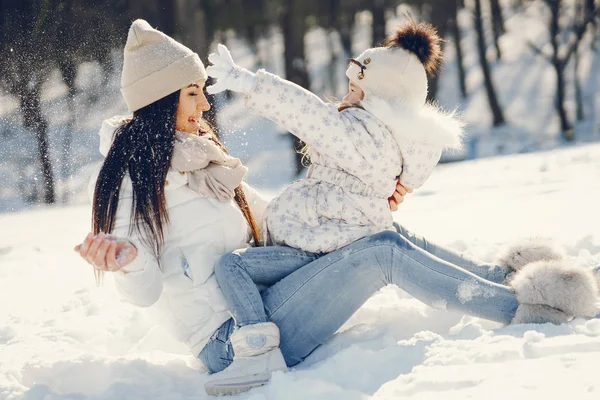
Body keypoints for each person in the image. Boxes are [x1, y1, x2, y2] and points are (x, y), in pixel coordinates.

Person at [75, 19, 600, 398]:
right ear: (161, 101)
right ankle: (527, 308)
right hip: (233, 338)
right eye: (193, 94)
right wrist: (127, 261)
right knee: (381, 254)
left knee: (381, 234)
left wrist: (351, 200)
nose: (205, 105)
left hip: (267, 291)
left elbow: (259, 220)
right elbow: (143, 294)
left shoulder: (201, 159)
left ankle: (502, 277)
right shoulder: (130, 185)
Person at [208, 21, 463, 255]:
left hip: (312, 247)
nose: (345, 98)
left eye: (353, 90)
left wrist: (251, 84)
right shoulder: (383, 144)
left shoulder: (361, 135)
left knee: (233, 267)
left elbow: (308, 114)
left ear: (376, 99)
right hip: (318, 240)